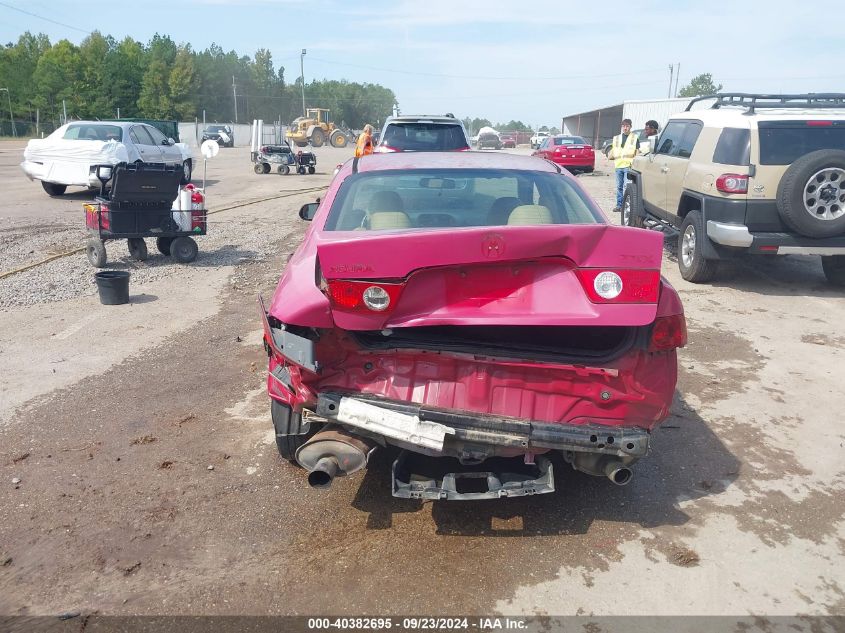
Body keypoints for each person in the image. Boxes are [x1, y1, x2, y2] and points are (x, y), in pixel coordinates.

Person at [607, 118, 639, 212]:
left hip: (628, 165)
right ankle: (619, 205)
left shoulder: (634, 138)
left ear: (630, 127)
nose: (625, 128)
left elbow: (637, 152)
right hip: (618, 165)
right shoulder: (616, 138)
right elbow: (614, 151)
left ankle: (626, 206)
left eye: (627, 126)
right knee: (619, 187)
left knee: (626, 187)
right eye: (624, 126)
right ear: (621, 127)